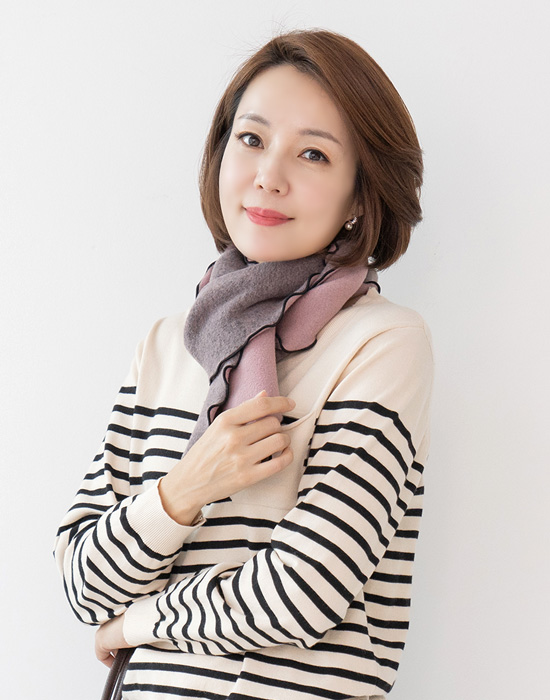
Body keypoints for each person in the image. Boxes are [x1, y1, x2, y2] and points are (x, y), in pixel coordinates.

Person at [54, 28, 434, 700]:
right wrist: (183, 490)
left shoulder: (380, 344)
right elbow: (82, 582)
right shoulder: (168, 344)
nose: (268, 176)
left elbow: (304, 591)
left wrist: (137, 622)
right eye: (252, 139)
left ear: (358, 197)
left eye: (313, 154)